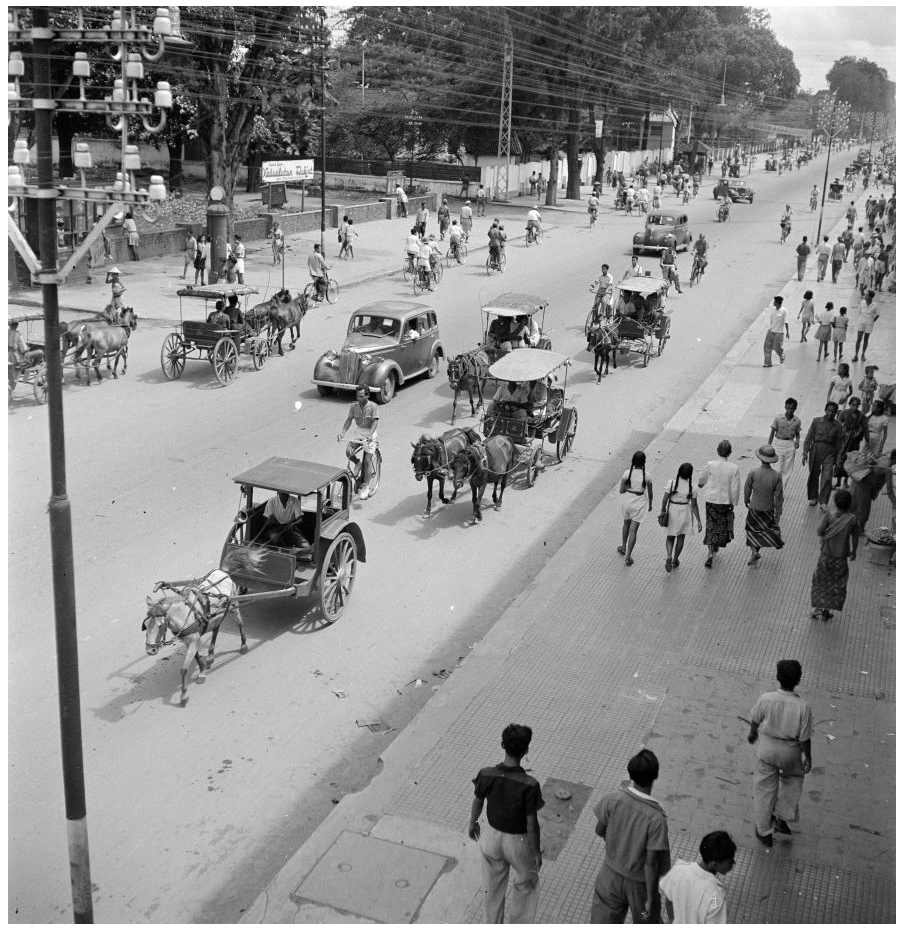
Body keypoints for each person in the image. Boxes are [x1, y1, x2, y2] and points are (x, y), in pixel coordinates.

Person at [469, 723, 543, 924]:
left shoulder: (486, 774)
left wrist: (473, 823)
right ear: (526, 750)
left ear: (502, 745)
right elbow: (531, 823)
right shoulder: (530, 784)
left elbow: (478, 801)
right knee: (527, 882)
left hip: (491, 838)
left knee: (492, 888)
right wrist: (536, 852)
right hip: (517, 843)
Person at [589, 749, 670, 923]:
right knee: (645, 921)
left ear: (631, 774)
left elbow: (599, 830)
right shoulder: (656, 819)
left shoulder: (613, 799)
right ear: (655, 776)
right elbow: (651, 864)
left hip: (609, 878)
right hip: (639, 888)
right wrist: (649, 898)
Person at [747, 660, 813, 845]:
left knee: (764, 788)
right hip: (791, 752)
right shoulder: (803, 707)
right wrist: (807, 757)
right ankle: (782, 818)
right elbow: (805, 738)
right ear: (798, 680)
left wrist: (753, 734)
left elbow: (755, 719)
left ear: (777, 677)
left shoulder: (766, 698)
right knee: (793, 782)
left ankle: (763, 829)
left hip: (767, 749)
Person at [659, 831, 736, 924]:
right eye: (730, 861)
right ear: (713, 864)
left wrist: (672, 920)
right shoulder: (715, 896)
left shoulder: (678, 870)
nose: (733, 863)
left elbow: (669, 899)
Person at [699, 440, 740, 569]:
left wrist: (701, 484)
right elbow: (735, 488)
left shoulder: (710, 464)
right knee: (720, 525)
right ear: (730, 453)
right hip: (724, 501)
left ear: (717, 451)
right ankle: (716, 546)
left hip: (711, 500)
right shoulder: (734, 468)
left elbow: (702, 478)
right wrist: (734, 502)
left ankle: (710, 553)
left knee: (710, 525)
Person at [744, 445, 784, 566]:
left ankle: (753, 551)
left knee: (751, 531)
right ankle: (755, 552)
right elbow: (779, 497)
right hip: (768, 509)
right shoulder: (777, 476)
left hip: (754, 507)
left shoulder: (753, 472)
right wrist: (778, 514)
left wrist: (746, 500)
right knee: (762, 531)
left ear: (760, 458)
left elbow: (747, 488)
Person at [338, 385, 379, 499]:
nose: (359, 398)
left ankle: (366, 486)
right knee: (348, 451)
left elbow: (375, 422)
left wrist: (370, 434)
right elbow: (349, 420)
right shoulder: (354, 406)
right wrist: (342, 433)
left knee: (367, 460)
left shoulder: (373, 406)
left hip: (370, 432)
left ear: (367, 395)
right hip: (359, 432)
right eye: (357, 396)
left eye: (361, 396)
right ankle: (357, 463)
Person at [661, 462, 701, 573]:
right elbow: (694, 505)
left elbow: (665, 499)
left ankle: (669, 555)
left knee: (670, 537)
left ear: (679, 471)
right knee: (681, 538)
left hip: (672, 510)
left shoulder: (672, 483)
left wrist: (662, 510)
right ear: (690, 474)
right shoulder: (692, 487)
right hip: (685, 513)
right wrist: (699, 521)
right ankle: (675, 559)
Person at [802, 402, 843, 509]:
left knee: (827, 476)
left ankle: (824, 501)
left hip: (830, 451)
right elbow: (809, 437)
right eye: (829, 410)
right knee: (813, 474)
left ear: (835, 412)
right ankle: (813, 497)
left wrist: (838, 457)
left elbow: (839, 442)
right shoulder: (816, 421)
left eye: (833, 411)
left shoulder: (838, 425)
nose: (831, 413)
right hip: (816, 449)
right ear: (825, 410)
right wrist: (805, 452)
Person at [618, 451, 653, 567]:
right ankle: (628, 556)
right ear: (644, 462)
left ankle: (623, 546)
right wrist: (651, 504)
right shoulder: (647, 476)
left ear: (633, 461)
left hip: (627, 501)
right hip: (639, 503)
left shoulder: (627, 473)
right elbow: (651, 493)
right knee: (633, 530)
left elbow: (621, 491)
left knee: (625, 524)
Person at [835, 397, 868, 488]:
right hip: (843, 442)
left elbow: (865, 428)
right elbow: (837, 425)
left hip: (854, 442)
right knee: (840, 460)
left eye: (857, 405)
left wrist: (865, 439)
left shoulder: (861, 415)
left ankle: (845, 481)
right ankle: (838, 481)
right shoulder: (844, 413)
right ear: (849, 404)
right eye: (853, 405)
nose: (855, 407)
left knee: (850, 461)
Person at [768, 398, 801, 482]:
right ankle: (774, 488)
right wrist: (769, 445)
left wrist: (797, 441)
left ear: (795, 409)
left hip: (790, 444)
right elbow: (772, 431)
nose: (790, 410)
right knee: (777, 469)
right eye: (788, 408)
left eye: (792, 408)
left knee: (787, 470)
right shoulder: (778, 418)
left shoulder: (797, 420)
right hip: (778, 443)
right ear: (785, 407)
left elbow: (797, 433)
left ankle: (781, 491)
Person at [762, 295, 789, 367]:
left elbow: (786, 322)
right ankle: (767, 363)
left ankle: (782, 355)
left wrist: (787, 332)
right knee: (766, 347)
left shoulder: (784, 311)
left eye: (775, 302)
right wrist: (770, 328)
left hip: (779, 333)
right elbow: (771, 320)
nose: (774, 303)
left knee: (776, 347)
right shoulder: (773, 310)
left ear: (778, 303)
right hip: (771, 331)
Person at [852, 291, 879, 361]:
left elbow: (877, 314)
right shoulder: (862, 302)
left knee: (866, 339)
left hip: (869, 323)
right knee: (859, 339)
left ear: (870, 297)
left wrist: (872, 321)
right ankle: (856, 355)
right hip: (861, 321)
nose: (865, 296)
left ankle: (863, 354)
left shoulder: (875, 305)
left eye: (866, 295)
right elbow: (860, 311)